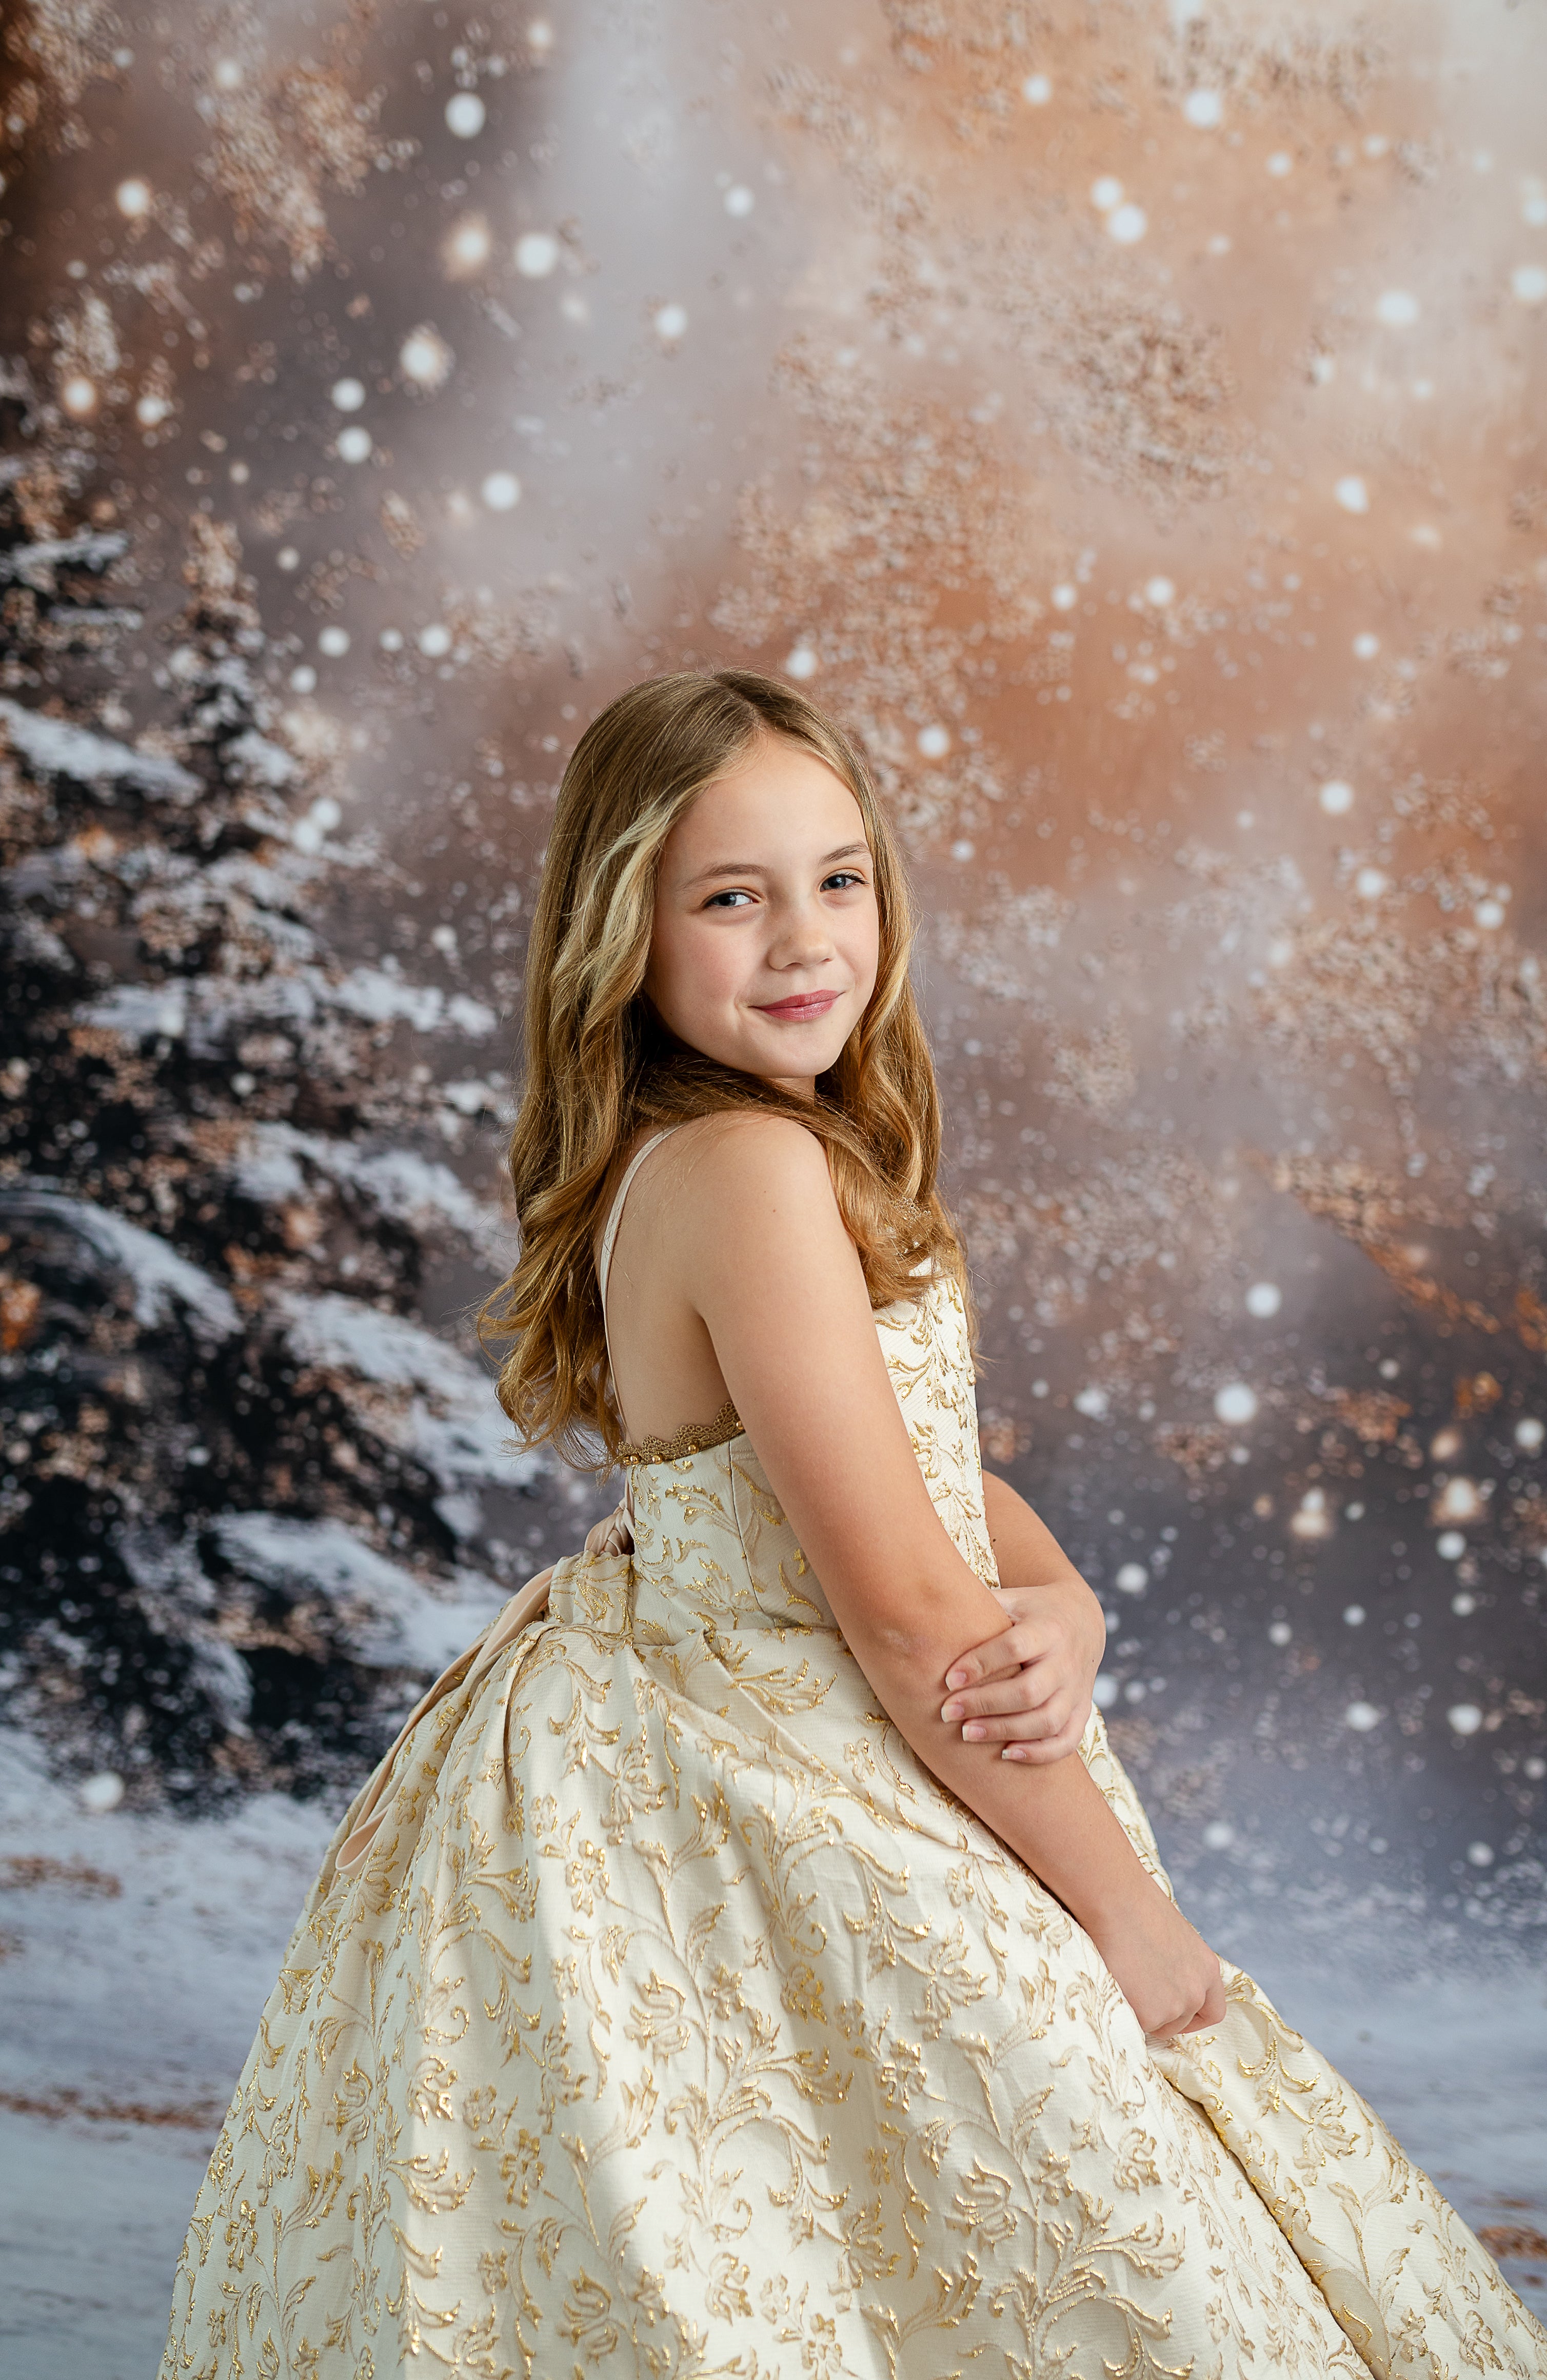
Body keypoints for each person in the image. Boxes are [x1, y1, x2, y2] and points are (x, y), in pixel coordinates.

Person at [161, 670, 1545, 2379]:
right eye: (731, 897)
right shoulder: (743, 1170)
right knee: (1060, 2187)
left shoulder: (750, 1148)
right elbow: (901, 1609)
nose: (805, 936)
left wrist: (1073, 1602)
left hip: (833, 1718)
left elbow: (928, 1481)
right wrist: (1141, 1933)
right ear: (628, 934)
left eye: (840, 877)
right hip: (799, 1759)